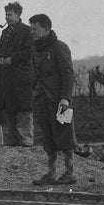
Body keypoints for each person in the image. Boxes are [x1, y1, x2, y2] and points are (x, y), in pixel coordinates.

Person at [29, 13, 77, 185]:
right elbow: (34, 73)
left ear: (47, 28)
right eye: (31, 29)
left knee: (64, 136)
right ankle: (51, 173)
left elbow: (68, 75)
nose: (32, 32)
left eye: (35, 29)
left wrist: (65, 99)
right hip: (41, 99)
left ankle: (70, 173)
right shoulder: (35, 49)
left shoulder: (59, 47)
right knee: (48, 137)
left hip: (59, 101)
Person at [0, 2, 34, 146]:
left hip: (21, 78)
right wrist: (0, 58)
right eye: (6, 14)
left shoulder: (27, 31)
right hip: (8, 79)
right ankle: (12, 144)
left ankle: (26, 143)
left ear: (18, 15)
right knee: (10, 111)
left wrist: (13, 59)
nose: (7, 17)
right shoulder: (5, 32)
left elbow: (29, 52)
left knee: (24, 111)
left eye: (10, 14)